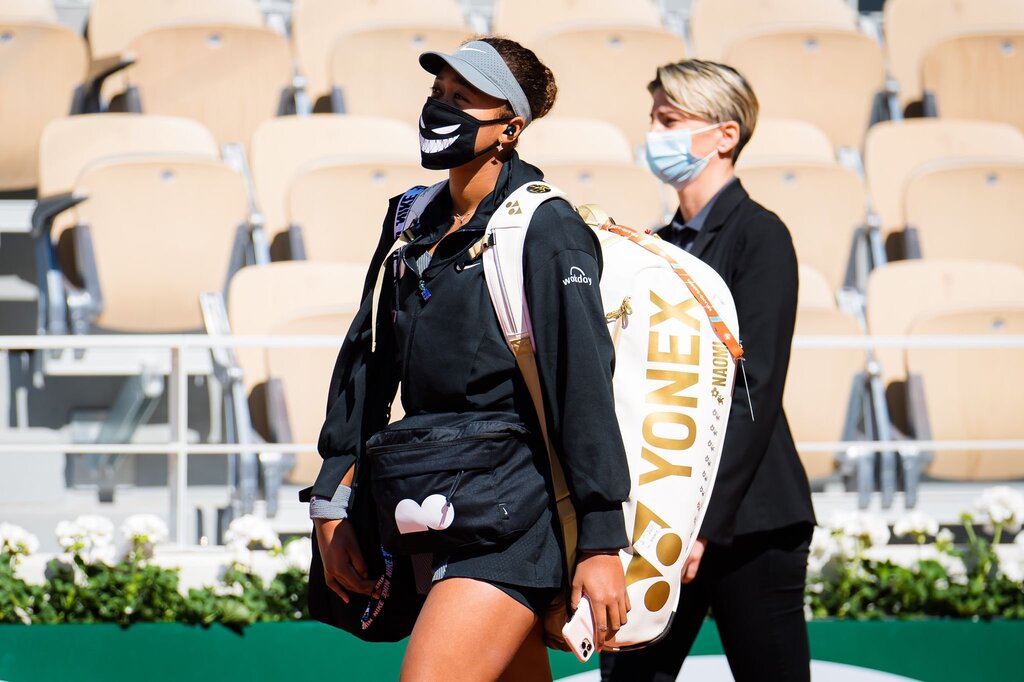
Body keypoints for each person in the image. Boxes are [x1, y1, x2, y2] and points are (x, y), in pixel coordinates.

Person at [303, 37, 631, 681]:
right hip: (427, 495)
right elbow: (366, 365)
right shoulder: (408, 218)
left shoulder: (548, 226)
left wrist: (601, 539)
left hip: (516, 513)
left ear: (511, 128)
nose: (438, 110)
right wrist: (332, 500)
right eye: (436, 94)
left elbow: (582, 383)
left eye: (462, 98)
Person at [600, 60, 816, 682]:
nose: (654, 133)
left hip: (748, 520)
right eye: (653, 119)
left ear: (725, 134)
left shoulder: (759, 235)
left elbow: (755, 387)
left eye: (670, 120)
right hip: (665, 518)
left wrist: (702, 523)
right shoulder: (656, 244)